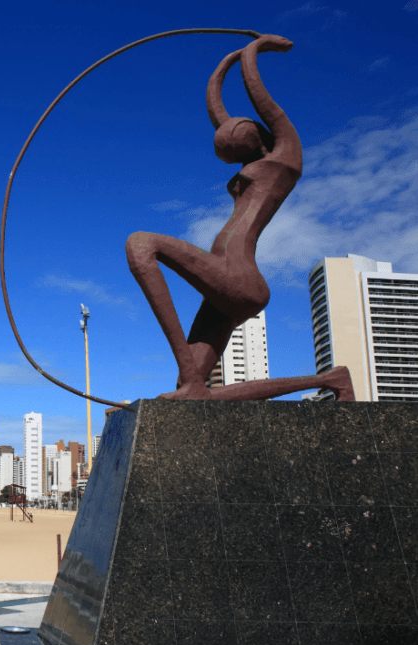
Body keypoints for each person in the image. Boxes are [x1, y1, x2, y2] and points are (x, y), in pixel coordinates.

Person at [125, 35, 354, 401]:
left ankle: (188, 369)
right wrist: (223, 67)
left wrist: (253, 53)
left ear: (257, 138)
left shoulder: (284, 162)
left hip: (239, 277)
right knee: (191, 397)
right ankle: (331, 380)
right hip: (224, 282)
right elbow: (219, 114)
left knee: (141, 244)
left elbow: (267, 106)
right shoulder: (253, 158)